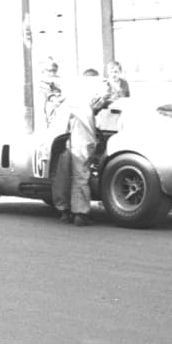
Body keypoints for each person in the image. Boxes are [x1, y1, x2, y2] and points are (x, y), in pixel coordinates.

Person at [51, 69, 107, 227]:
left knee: (62, 175)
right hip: (82, 137)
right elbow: (100, 102)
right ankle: (80, 213)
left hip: (62, 138)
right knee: (80, 175)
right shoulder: (93, 94)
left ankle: (63, 210)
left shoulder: (71, 95)